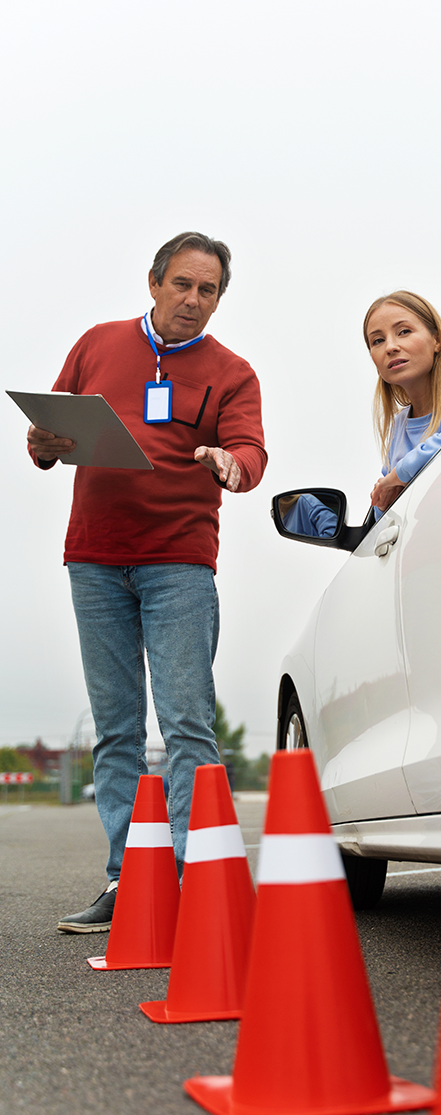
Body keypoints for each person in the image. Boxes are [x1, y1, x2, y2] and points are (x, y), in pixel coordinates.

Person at [26, 231, 267, 933]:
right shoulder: (98, 343)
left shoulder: (233, 371)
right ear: (155, 281)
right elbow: (50, 429)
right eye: (183, 285)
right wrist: (41, 446)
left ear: (219, 298)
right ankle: (126, 881)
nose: (194, 301)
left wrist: (232, 463)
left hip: (180, 563)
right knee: (117, 729)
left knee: (188, 722)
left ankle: (193, 881)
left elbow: (250, 450)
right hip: (95, 558)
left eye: (209, 290)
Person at [365, 291, 441, 514]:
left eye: (404, 332)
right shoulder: (398, 426)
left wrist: (396, 476)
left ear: (436, 340)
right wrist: (381, 501)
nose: (390, 347)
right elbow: (384, 514)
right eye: (377, 340)